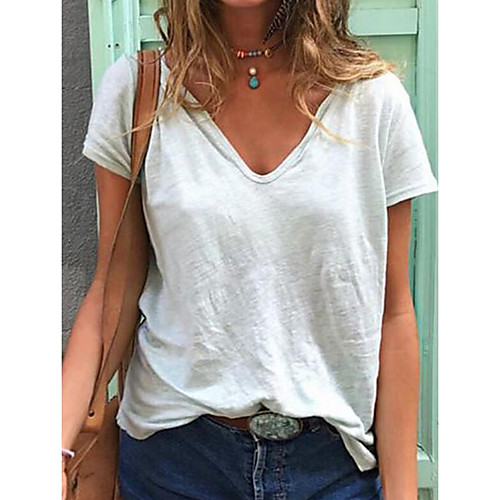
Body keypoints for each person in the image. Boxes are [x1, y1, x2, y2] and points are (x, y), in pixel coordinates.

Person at [62, 0, 439, 498]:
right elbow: (111, 289)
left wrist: (402, 491)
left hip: (332, 470)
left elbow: (394, 313)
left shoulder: (374, 100)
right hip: (174, 463)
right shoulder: (139, 93)